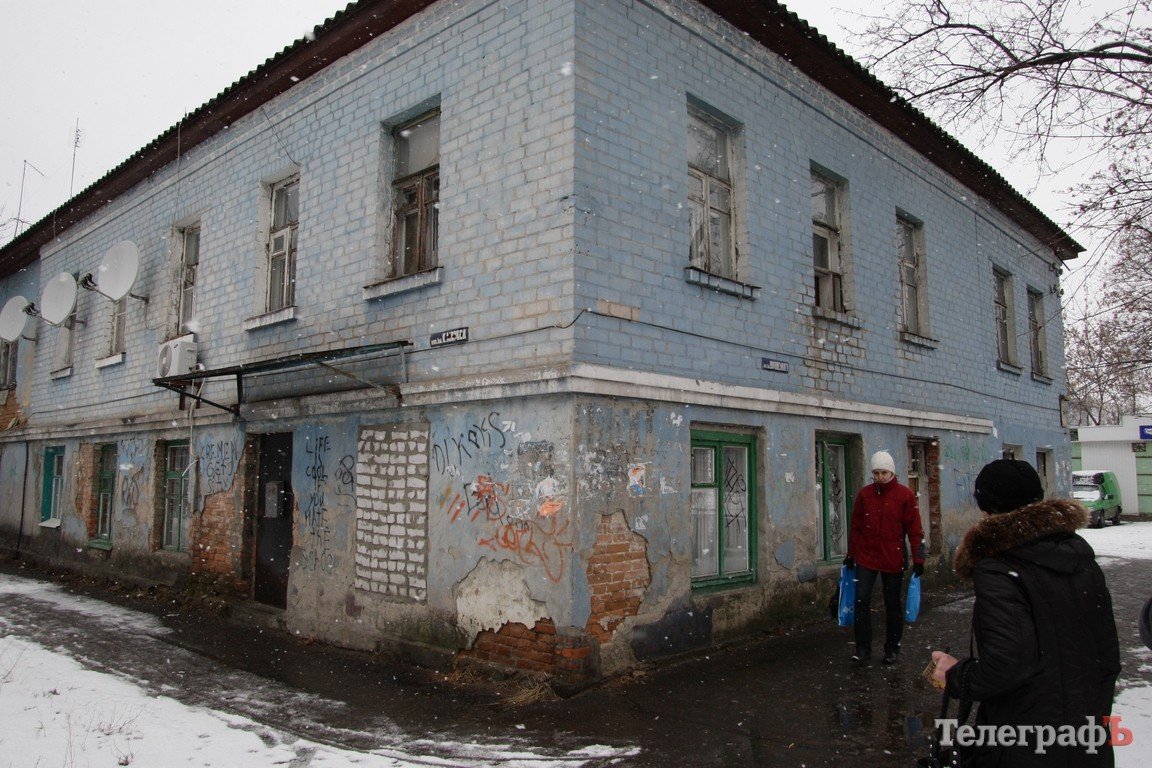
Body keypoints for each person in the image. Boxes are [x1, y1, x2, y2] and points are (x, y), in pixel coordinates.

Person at [930, 459, 1121, 766]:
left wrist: (955, 675)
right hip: (1085, 741)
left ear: (986, 507)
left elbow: (1007, 665)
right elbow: (1107, 656)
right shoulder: (1078, 555)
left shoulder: (999, 567)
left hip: (1022, 744)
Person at [844, 450, 925, 664]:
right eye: (876, 473)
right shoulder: (865, 494)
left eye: (884, 472)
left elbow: (915, 529)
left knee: (892, 604)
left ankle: (892, 648)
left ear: (891, 472)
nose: (879, 477)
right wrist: (850, 554)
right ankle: (862, 648)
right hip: (866, 555)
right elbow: (856, 526)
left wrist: (919, 558)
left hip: (892, 556)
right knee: (861, 600)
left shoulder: (904, 495)